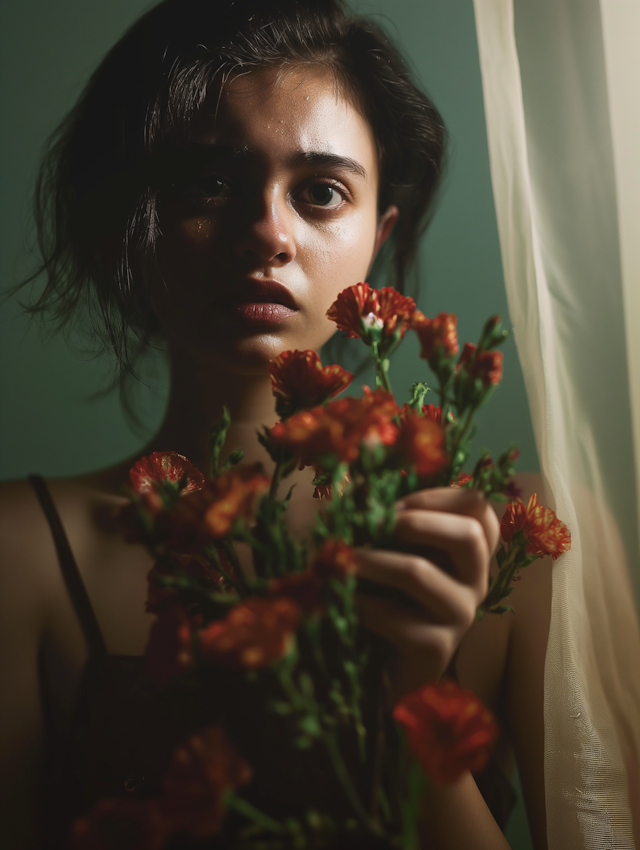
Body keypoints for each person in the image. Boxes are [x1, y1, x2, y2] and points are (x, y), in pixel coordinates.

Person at [0, 1, 551, 847]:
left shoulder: (520, 546)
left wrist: (407, 712)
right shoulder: (22, 554)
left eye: (322, 192)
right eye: (208, 182)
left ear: (379, 233)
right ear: (131, 220)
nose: (267, 232)